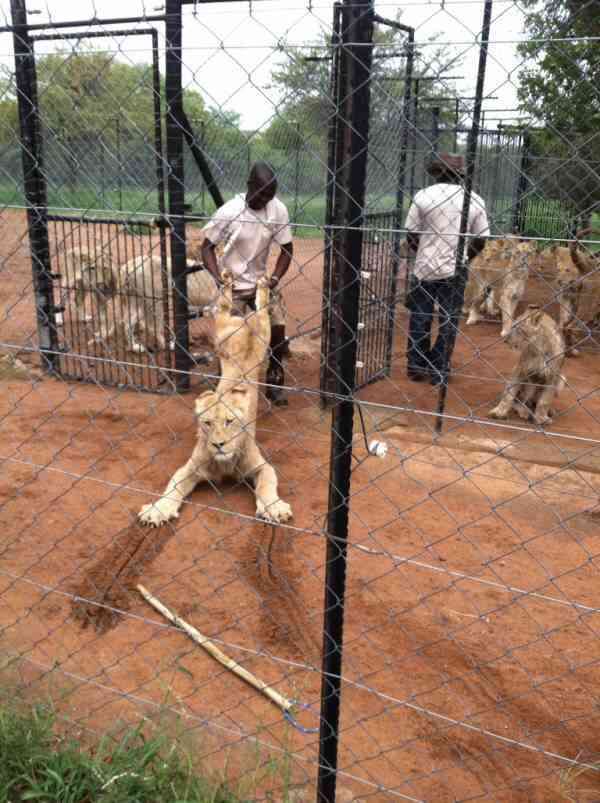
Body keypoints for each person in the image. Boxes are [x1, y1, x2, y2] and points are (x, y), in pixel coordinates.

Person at [200, 162, 293, 406]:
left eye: (269, 195)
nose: (264, 200)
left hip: (262, 283)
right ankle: (224, 378)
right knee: (229, 337)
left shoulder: (277, 210)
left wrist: (274, 279)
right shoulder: (229, 211)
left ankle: (274, 379)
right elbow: (206, 247)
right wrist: (218, 276)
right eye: (261, 193)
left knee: (278, 332)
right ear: (249, 185)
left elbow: (287, 249)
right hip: (232, 285)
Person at [404, 152, 490, 385]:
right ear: (459, 175)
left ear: (436, 174)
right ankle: (439, 367)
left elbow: (411, 234)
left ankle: (416, 364)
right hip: (455, 267)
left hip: (424, 266)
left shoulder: (423, 196)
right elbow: (481, 239)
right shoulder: (474, 199)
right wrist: (464, 258)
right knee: (448, 319)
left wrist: (423, 252)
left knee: (420, 315)